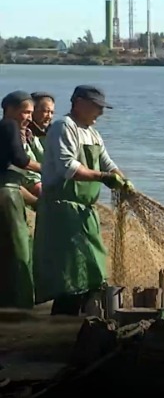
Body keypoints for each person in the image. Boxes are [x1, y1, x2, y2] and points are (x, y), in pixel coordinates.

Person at [33, 85, 133, 316]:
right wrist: (104, 178)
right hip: (63, 210)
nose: (101, 112)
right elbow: (68, 167)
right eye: (96, 107)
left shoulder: (92, 133)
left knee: (93, 272)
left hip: (86, 212)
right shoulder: (64, 127)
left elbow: (107, 163)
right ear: (78, 103)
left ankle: (79, 323)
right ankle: (61, 324)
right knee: (69, 277)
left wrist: (122, 180)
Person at [0, 91, 41, 309]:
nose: (29, 117)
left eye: (31, 113)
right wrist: (48, 168)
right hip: (7, 196)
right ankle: (19, 302)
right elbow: (20, 159)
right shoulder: (9, 126)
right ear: (10, 109)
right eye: (25, 112)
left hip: (10, 191)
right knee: (19, 248)